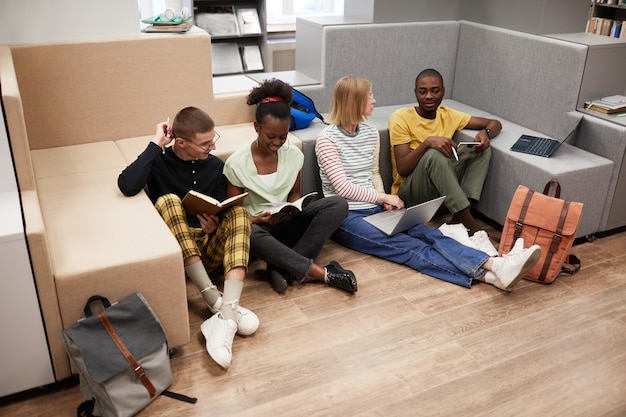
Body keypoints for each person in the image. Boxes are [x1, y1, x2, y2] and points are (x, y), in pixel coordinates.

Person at [315, 76, 541, 291]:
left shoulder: (370, 133)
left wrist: (384, 201)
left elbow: (373, 173)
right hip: (346, 217)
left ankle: (496, 266)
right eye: (370, 96)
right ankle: (491, 275)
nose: (374, 100)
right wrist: (384, 197)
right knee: (409, 247)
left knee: (430, 234)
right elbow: (341, 187)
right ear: (355, 102)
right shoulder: (327, 140)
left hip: (376, 207)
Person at [118, 107, 257, 370]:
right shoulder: (157, 161)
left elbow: (219, 203)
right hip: (179, 252)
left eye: (213, 138)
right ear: (180, 142)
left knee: (239, 212)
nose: (213, 146)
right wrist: (156, 143)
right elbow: (127, 185)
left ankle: (224, 314)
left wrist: (213, 226)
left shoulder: (215, 165)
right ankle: (216, 302)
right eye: (205, 143)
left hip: (209, 246)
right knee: (169, 201)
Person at [223, 79, 357, 294]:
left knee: (338, 204)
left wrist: (295, 208)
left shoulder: (294, 155)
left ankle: (281, 266)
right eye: (271, 136)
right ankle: (322, 273)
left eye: (283, 136)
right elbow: (232, 215)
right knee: (250, 232)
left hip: (284, 223)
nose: (277, 142)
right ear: (256, 127)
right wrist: (257, 219)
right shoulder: (236, 163)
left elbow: (295, 193)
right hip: (256, 231)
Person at [388, 68, 503, 237]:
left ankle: (458, 218)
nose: (429, 96)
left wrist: (486, 134)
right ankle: (473, 228)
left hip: (443, 199)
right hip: (411, 198)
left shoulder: (448, 114)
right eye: (423, 91)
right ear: (415, 93)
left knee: (481, 150)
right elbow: (402, 169)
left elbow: (494, 123)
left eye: (435, 91)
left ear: (443, 91)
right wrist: (428, 143)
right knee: (434, 155)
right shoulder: (401, 117)